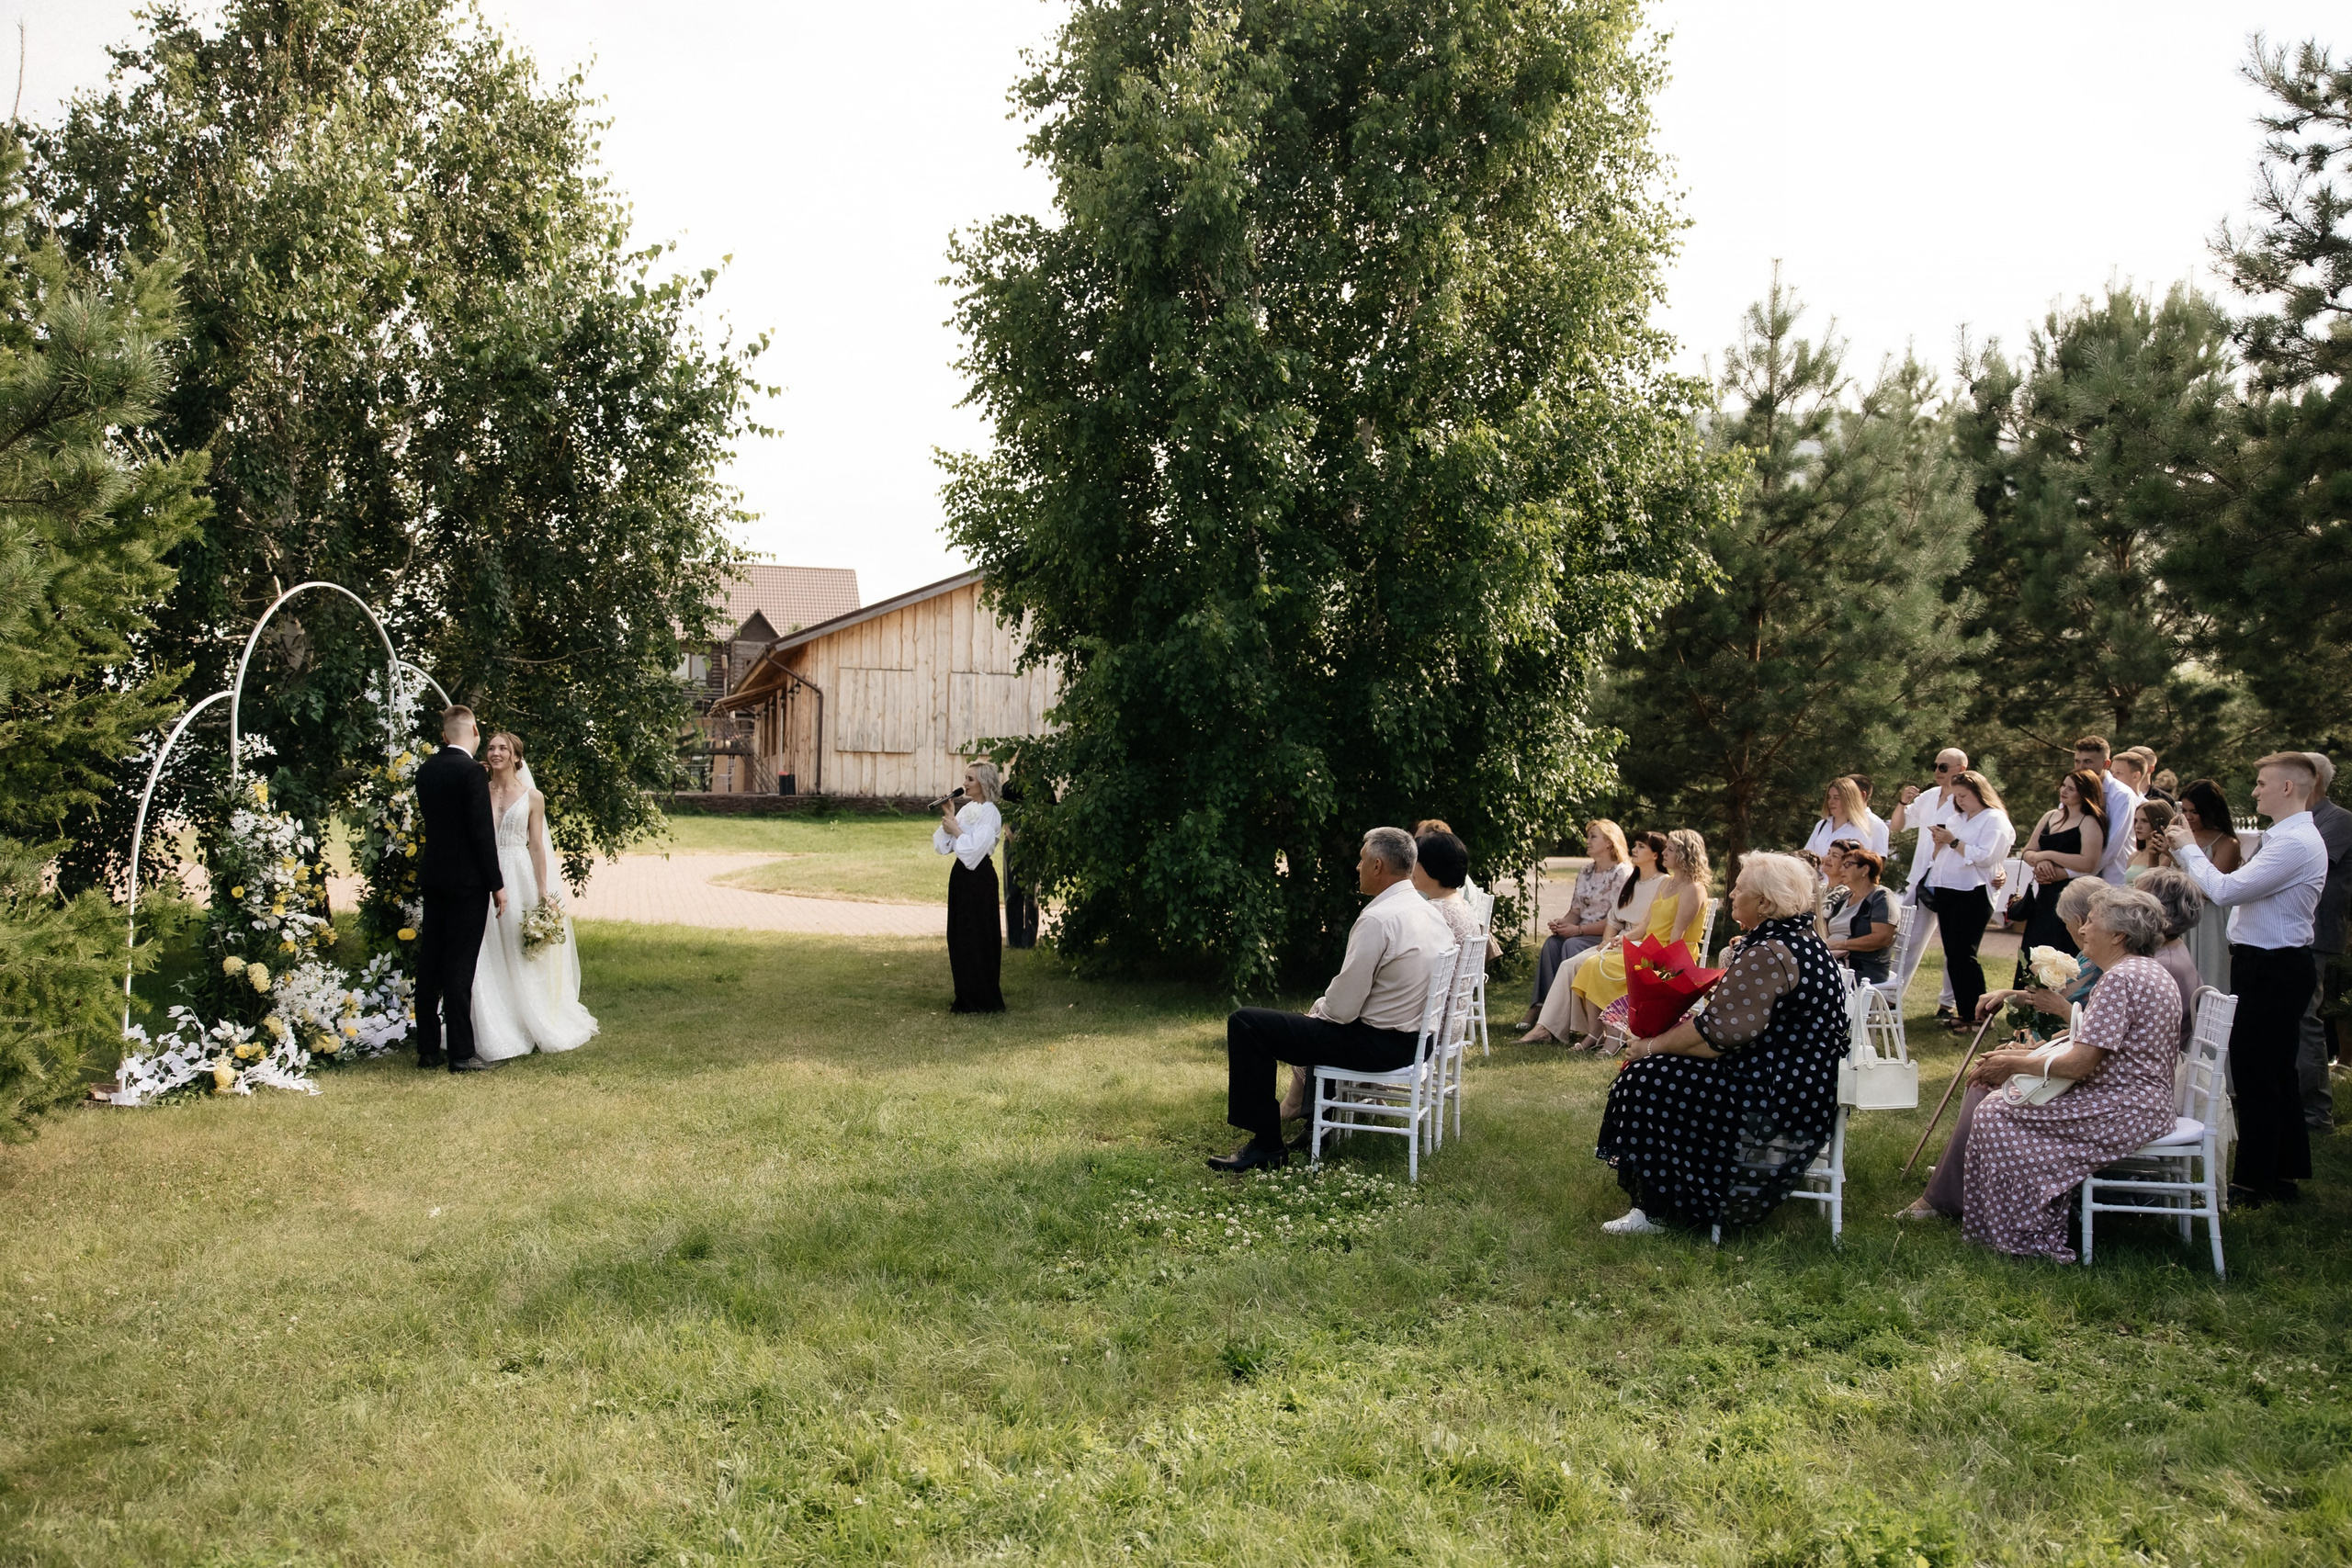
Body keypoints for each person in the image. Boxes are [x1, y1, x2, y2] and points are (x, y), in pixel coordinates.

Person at [1593, 852, 1849, 1235]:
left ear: (1764, 903)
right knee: (1662, 1071)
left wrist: (1650, 1046)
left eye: (1740, 888)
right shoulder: (1798, 940)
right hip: (1800, 1083)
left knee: (1648, 1077)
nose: (1731, 893)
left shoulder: (1771, 952)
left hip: (1777, 1094)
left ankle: (1661, 1209)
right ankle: (1673, 1193)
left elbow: (1715, 1037)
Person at [1960, 887, 2186, 1261]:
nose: (2083, 931)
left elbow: (2081, 1064)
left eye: (2092, 923)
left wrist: (2013, 1065)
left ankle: (2025, 1238)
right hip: (2141, 1103)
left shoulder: (2120, 979)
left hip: (2126, 1109)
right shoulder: (2146, 971)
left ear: (2118, 935)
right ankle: (2022, 1222)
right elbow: (2093, 1042)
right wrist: (2033, 1053)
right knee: (2002, 1106)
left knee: (1997, 1113)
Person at [1214, 828, 1454, 1171]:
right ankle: (1318, 1128)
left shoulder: (1378, 918)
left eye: (1360, 859)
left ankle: (1266, 1146)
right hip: (1419, 1041)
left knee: (1246, 1023)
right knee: (1311, 1023)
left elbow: (1341, 1011)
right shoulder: (1429, 912)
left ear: (1377, 866)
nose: (1356, 867)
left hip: (1377, 1046)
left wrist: (1316, 1013)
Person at [2164, 753, 2330, 1205]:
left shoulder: (2294, 843)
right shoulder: (2286, 837)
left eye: (2261, 783)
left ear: (2288, 789)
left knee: (2259, 1073)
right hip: (2269, 962)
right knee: (2274, 1072)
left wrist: (2185, 848)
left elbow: (2224, 890)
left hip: (2274, 965)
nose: (2254, 791)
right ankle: (2282, 1174)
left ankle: (2252, 1182)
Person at [1902, 877, 2113, 1221]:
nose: (2080, 932)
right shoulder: (2100, 961)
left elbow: (2086, 1034)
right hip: (2073, 1059)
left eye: (2081, 924)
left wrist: (2037, 1047)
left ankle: (1949, 1193)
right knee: (1989, 1068)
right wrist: (2010, 996)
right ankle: (1961, 1172)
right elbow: (2082, 1024)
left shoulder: (2116, 972)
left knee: (1986, 1079)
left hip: (2089, 1081)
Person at [469, 731, 597, 1061]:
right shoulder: (478, 791)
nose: (496, 752)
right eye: (492, 747)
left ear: (516, 756)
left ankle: (531, 1016)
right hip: (484, 874)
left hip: (518, 873)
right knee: (486, 946)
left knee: (517, 944)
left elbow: (538, 846)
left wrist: (542, 891)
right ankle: (493, 1020)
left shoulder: (532, 797)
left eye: (503, 748)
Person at [413, 705, 506, 1074]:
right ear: (475, 731)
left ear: (445, 735)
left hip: (434, 876)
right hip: (467, 882)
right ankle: (462, 1054)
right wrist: (496, 884)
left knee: (430, 962)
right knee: (460, 965)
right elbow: (481, 834)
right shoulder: (471, 772)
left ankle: (427, 1051)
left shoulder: (426, 770)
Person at [1556, 829, 1710, 1046]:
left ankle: (1616, 1036)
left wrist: (1667, 974)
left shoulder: (1693, 889)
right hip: (1649, 949)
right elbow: (1646, 924)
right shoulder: (1667, 883)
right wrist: (1624, 939)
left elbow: (1677, 938)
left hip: (1671, 959)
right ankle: (1595, 1033)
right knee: (1592, 965)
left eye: (1670, 849)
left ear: (1685, 854)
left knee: (1610, 968)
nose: (1664, 852)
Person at [1520, 831, 1665, 1043]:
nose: (1634, 849)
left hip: (1639, 942)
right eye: (1634, 845)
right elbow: (1614, 919)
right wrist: (1606, 942)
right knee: (1569, 965)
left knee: (1584, 961)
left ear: (1655, 855)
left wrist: (1616, 941)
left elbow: (1649, 924)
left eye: (1641, 846)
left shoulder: (1663, 883)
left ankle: (1590, 1031)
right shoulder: (1633, 880)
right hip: (1618, 940)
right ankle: (1545, 1027)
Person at [1925, 770, 2013, 1033]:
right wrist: (1940, 841)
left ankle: (1981, 1016)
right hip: (1947, 887)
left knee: (1965, 954)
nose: (1960, 800)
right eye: (1957, 796)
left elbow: (1986, 857)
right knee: (1953, 954)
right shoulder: (1956, 818)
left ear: (1979, 793)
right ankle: (1965, 1013)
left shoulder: (1994, 819)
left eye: (1964, 795)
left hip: (1972, 891)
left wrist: (1953, 841)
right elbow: (1939, 855)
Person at [1888, 749, 1971, 1017]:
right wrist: (1902, 802)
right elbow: (1899, 826)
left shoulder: (1968, 799)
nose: (1937, 771)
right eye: (1935, 766)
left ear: (1961, 768)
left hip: (1952, 880)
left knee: (1953, 945)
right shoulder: (1928, 797)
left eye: (1944, 767)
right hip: (1921, 878)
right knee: (1907, 939)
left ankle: (1948, 1003)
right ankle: (1892, 997)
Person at [1522, 821, 1630, 1025]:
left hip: (1605, 936)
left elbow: (1616, 920)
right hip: (1581, 932)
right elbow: (1575, 911)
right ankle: (1541, 1007)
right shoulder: (1586, 872)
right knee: (1552, 944)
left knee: (1571, 945)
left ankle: (1573, 1016)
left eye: (1593, 837)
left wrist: (1578, 930)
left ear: (1609, 842)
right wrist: (1562, 924)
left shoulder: (1622, 874)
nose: (1587, 841)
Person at [2296, 753, 2351, 1132]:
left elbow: (2303, 866)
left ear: (2313, 779)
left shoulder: (2339, 821)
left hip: (2314, 932)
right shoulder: (2297, 822)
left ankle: (2317, 1113)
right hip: (2292, 932)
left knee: (2305, 1018)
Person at [2014, 769, 2109, 967]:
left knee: (2059, 948)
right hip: (2044, 896)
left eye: (2071, 788)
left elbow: (2088, 862)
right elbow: (2028, 851)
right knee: (2034, 950)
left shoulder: (2089, 821)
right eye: (2063, 785)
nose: (2064, 791)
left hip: (2069, 896)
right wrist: (2041, 861)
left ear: (2084, 793)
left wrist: (2048, 855)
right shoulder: (2050, 816)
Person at [935, 761, 1006, 1013]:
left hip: (980, 879)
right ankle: (964, 993)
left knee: (979, 935)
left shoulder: (990, 813)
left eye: (970, 779)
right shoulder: (967, 810)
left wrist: (957, 831)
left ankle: (982, 997)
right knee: (959, 934)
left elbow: (974, 852)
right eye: (965, 778)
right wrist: (951, 817)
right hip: (961, 879)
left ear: (984, 783)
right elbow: (943, 845)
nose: (964, 783)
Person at [2175, 778, 2244, 990]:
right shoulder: (2184, 836)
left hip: (2210, 919)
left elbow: (2208, 890)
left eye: (2194, 811)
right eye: (2184, 810)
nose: (2188, 817)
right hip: (2183, 914)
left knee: (2210, 973)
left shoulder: (2227, 843)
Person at [2075, 736, 2142, 886]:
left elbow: (2112, 846)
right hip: (2079, 881)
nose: (2080, 768)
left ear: (2106, 764)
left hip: (2113, 882)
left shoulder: (2122, 795)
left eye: (2088, 762)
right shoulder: (2072, 791)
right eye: (2077, 761)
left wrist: (2075, 873)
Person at [1825, 848, 1894, 986]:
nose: (1841, 869)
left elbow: (1882, 938)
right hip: (1836, 961)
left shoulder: (1881, 896)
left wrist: (1839, 944)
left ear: (1865, 869)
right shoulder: (1844, 896)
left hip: (1862, 968)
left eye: (1847, 865)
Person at [1412, 829, 1481, 944]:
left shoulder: (1432, 911)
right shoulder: (1462, 904)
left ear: (1433, 866)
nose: (1411, 868)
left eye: (1416, 861)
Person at [1803, 776, 1888, 859]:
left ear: (1849, 800)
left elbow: (1861, 865)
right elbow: (1806, 855)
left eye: (1836, 798)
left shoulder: (1862, 830)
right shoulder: (1822, 825)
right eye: (1829, 797)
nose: (1831, 802)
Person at [2125, 797, 2180, 878]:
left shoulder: (2169, 857)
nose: (2137, 826)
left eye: (2144, 821)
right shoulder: (2134, 856)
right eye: (2136, 820)